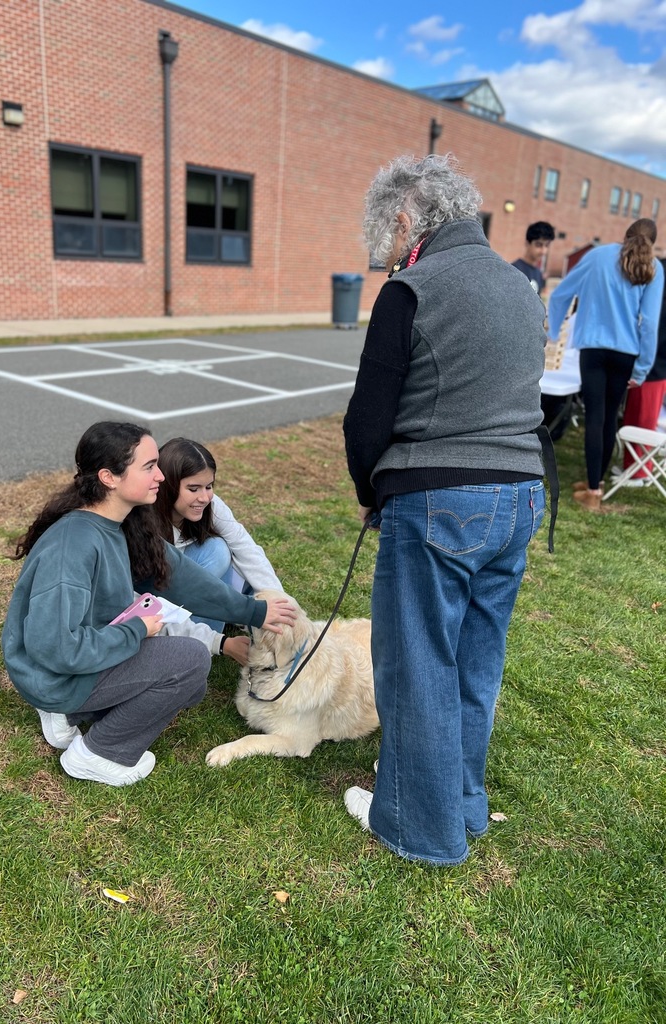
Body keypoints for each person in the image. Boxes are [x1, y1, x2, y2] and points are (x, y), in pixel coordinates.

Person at [342, 153, 547, 866]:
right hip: (520, 495)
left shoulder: (411, 288)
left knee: (418, 663)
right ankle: (461, 803)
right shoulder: (521, 286)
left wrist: (371, 493)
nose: (386, 248)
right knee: (474, 661)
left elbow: (367, 420)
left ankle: (417, 828)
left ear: (406, 219)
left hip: (440, 497)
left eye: (386, 232)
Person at [1, 421, 295, 787]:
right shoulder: (72, 547)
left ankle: (71, 714)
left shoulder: (124, 522)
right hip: (54, 673)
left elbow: (183, 578)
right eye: (149, 466)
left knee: (192, 685)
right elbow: (57, 648)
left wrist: (255, 611)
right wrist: (136, 630)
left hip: (79, 658)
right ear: (109, 477)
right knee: (190, 660)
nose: (160, 476)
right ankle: (97, 753)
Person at [548, 219, 664, 510]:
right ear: (652, 242)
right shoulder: (653, 267)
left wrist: (553, 332)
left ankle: (593, 490)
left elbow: (562, 293)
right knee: (610, 417)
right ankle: (595, 483)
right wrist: (642, 368)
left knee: (595, 417)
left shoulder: (597, 255)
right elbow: (649, 324)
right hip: (626, 354)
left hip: (593, 350)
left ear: (625, 235)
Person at [151, 437, 282, 663]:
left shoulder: (212, 506)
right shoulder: (145, 519)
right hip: (160, 591)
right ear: (168, 485)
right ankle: (193, 644)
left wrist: (280, 603)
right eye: (193, 488)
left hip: (190, 581)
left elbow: (246, 547)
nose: (204, 497)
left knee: (219, 550)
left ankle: (208, 633)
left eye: (209, 486)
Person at [616, 256, 666, 484]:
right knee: (635, 415)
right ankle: (632, 466)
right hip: (651, 361)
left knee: (643, 419)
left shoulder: (659, 271)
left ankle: (639, 472)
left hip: (655, 364)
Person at [512, 221, 555, 294]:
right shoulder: (515, 270)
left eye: (547, 245)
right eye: (538, 245)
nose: (543, 251)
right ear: (527, 244)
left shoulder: (539, 273)